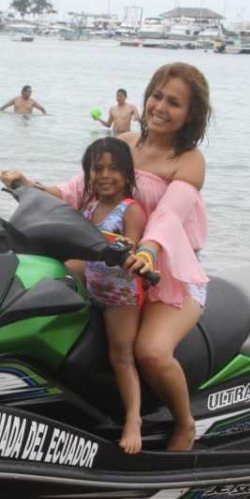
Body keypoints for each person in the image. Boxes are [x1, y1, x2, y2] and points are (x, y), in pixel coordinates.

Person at [1, 62, 212, 451]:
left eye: (175, 103)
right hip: (116, 263)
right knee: (43, 284)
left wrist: (147, 251)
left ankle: (184, 423)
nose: (161, 107)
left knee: (150, 352)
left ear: (191, 114)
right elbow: (76, 191)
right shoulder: (127, 143)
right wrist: (27, 186)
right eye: (158, 96)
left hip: (165, 274)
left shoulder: (189, 159)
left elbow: (169, 216)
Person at [77, 137, 151, 454]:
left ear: (128, 175)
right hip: (93, 287)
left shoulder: (130, 210)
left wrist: (120, 245)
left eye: (114, 169)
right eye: (98, 168)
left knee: (120, 357)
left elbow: (131, 246)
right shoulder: (90, 206)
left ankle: (133, 420)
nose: (105, 175)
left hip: (121, 296)